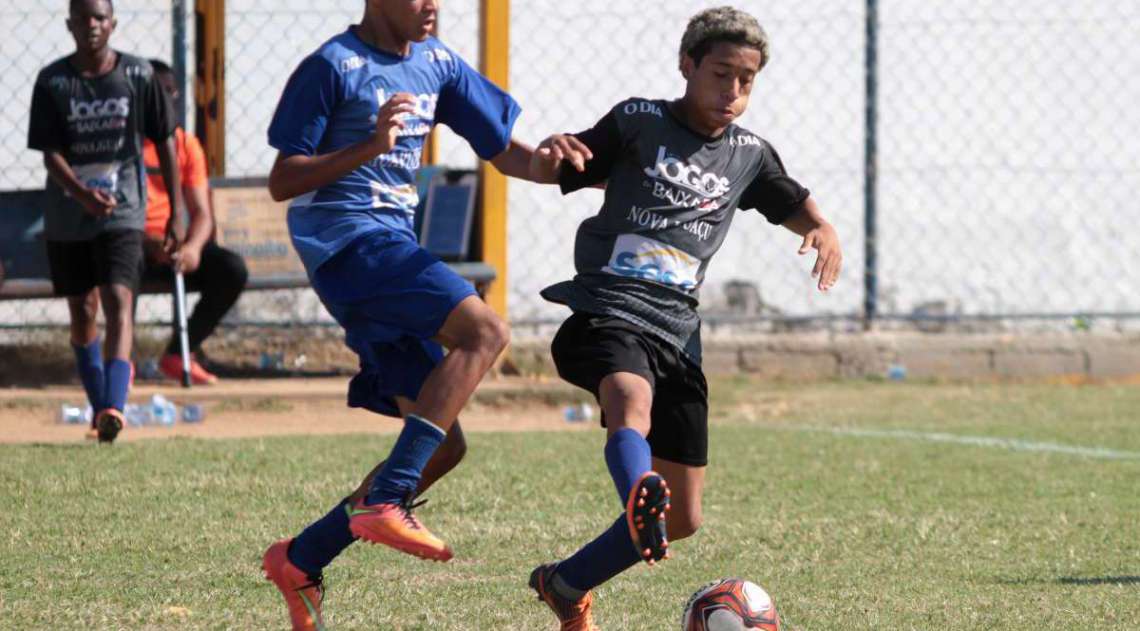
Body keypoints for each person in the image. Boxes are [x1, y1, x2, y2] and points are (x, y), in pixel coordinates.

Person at [258, 1, 589, 629]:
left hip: (390, 250)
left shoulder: (438, 63)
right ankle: (384, 498)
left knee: (444, 445)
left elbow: (507, 153)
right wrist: (369, 145)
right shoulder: (332, 66)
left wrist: (557, 165)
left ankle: (300, 559)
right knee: (487, 331)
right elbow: (283, 180)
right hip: (349, 244)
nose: (433, 3)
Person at [524, 7, 844, 629]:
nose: (733, 91)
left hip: (678, 331)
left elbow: (791, 200)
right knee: (627, 399)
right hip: (609, 309)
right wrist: (548, 155)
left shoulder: (748, 154)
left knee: (685, 518)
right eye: (721, 73)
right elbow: (561, 166)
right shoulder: (639, 121)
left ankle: (565, 583)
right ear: (688, 65)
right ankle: (635, 495)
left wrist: (823, 228)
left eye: (746, 81)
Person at [27, 0, 182, 443]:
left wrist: (176, 210)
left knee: (118, 298)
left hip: (124, 210)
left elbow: (165, 140)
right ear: (69, 25)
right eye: (83, 18)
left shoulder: (136, 75)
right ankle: (101, 408)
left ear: (112, 24)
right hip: (68, 214)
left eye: (100, 18)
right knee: (83, 310)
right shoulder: (53, 81)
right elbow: (50, 154)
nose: (92, 26)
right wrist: (80, 193)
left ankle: (114, 404)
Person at [139, 59, 249, 385]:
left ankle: (178, 354)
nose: (168, 100)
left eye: (172, 93)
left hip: (174, 245)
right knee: (120, 266)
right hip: (131, 245)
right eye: (160, 93)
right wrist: (147, 244)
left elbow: (201, 212)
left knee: (231, 269)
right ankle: (119, 364)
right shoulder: (123, 143)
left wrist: (192, 247)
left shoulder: (185, 144)